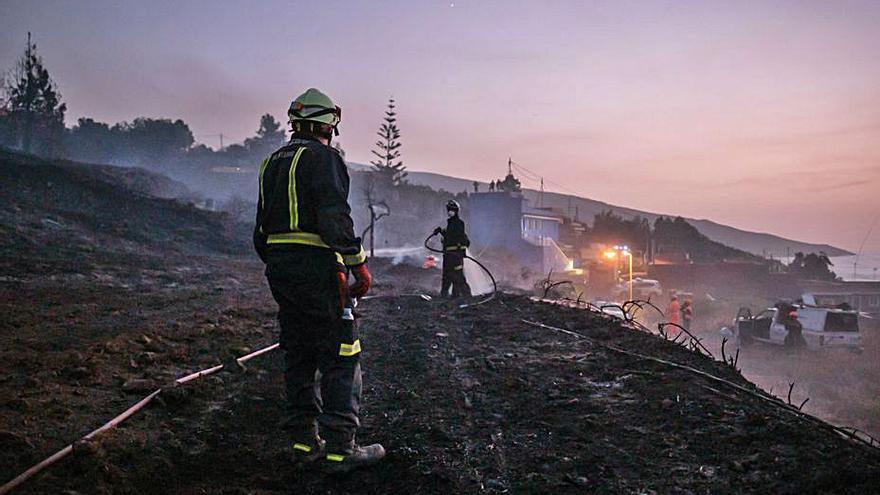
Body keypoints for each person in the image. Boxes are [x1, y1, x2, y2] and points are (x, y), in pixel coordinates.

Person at [253, 88, 384, 473]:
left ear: (295, 121)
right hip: (318, 269)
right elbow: (334, 217)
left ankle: (303, 441)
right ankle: (342, 449)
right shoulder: (325, 158)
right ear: (329, 122)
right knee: (342, 352)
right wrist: (357, 264)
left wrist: (282, 263)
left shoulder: (270, 163)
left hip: (280, 268)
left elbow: (261, 230)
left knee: (298, 351)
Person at [433, 200, 472, 297]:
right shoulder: (451, 224)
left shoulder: (459, 223)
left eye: (450, 209)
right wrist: (440, 231)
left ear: (456, 210)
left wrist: (459, 252)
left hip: (455, 256)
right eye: (448, 209)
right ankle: (445, 296)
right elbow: (450, 235)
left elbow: (460, 238)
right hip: (448, 256)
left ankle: (466, 296)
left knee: (458, 277)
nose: (449, 211)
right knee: (447, 277)